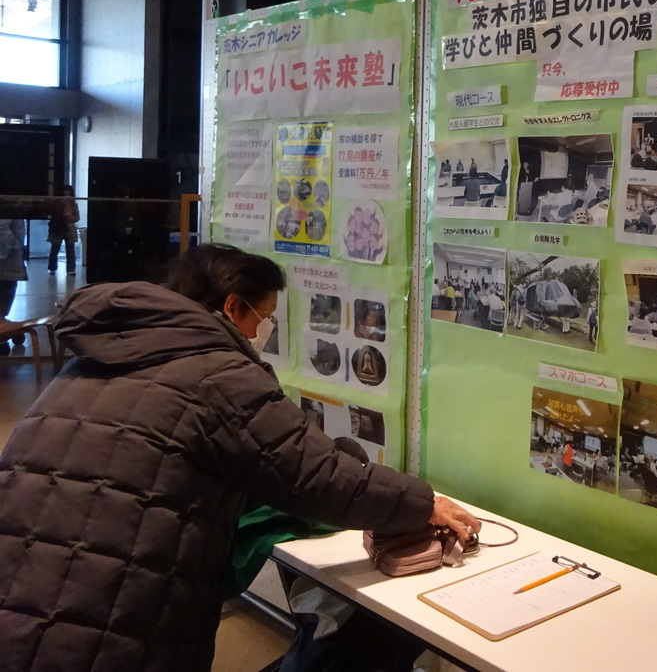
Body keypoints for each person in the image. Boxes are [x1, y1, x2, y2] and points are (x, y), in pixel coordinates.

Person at [0, 243, 480, 672]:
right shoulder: (219, 372)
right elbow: (318, 477)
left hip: (22, 581)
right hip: (112, 608)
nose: (262, 331)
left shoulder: (100, 354)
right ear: (232, 306)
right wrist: (422, 503)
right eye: (264, 316)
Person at [0, 218, 28, 357]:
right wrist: (15, 246)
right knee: (3, 300)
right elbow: (2, 229)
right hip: (6, 262)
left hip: (9, 262)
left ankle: (3, 329)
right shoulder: (7, 207)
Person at [46, 185, 81, 275]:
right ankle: (52, 267)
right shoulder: (56, 203)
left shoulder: (74, 205)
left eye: (68, 192)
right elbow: (53, 214)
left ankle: (71, 269)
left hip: (69, 227)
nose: (67, 193)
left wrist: (70, 218)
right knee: (55, 248)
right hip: (58, 227)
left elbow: (77, 217)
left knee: (70, 249)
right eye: (65, 191)